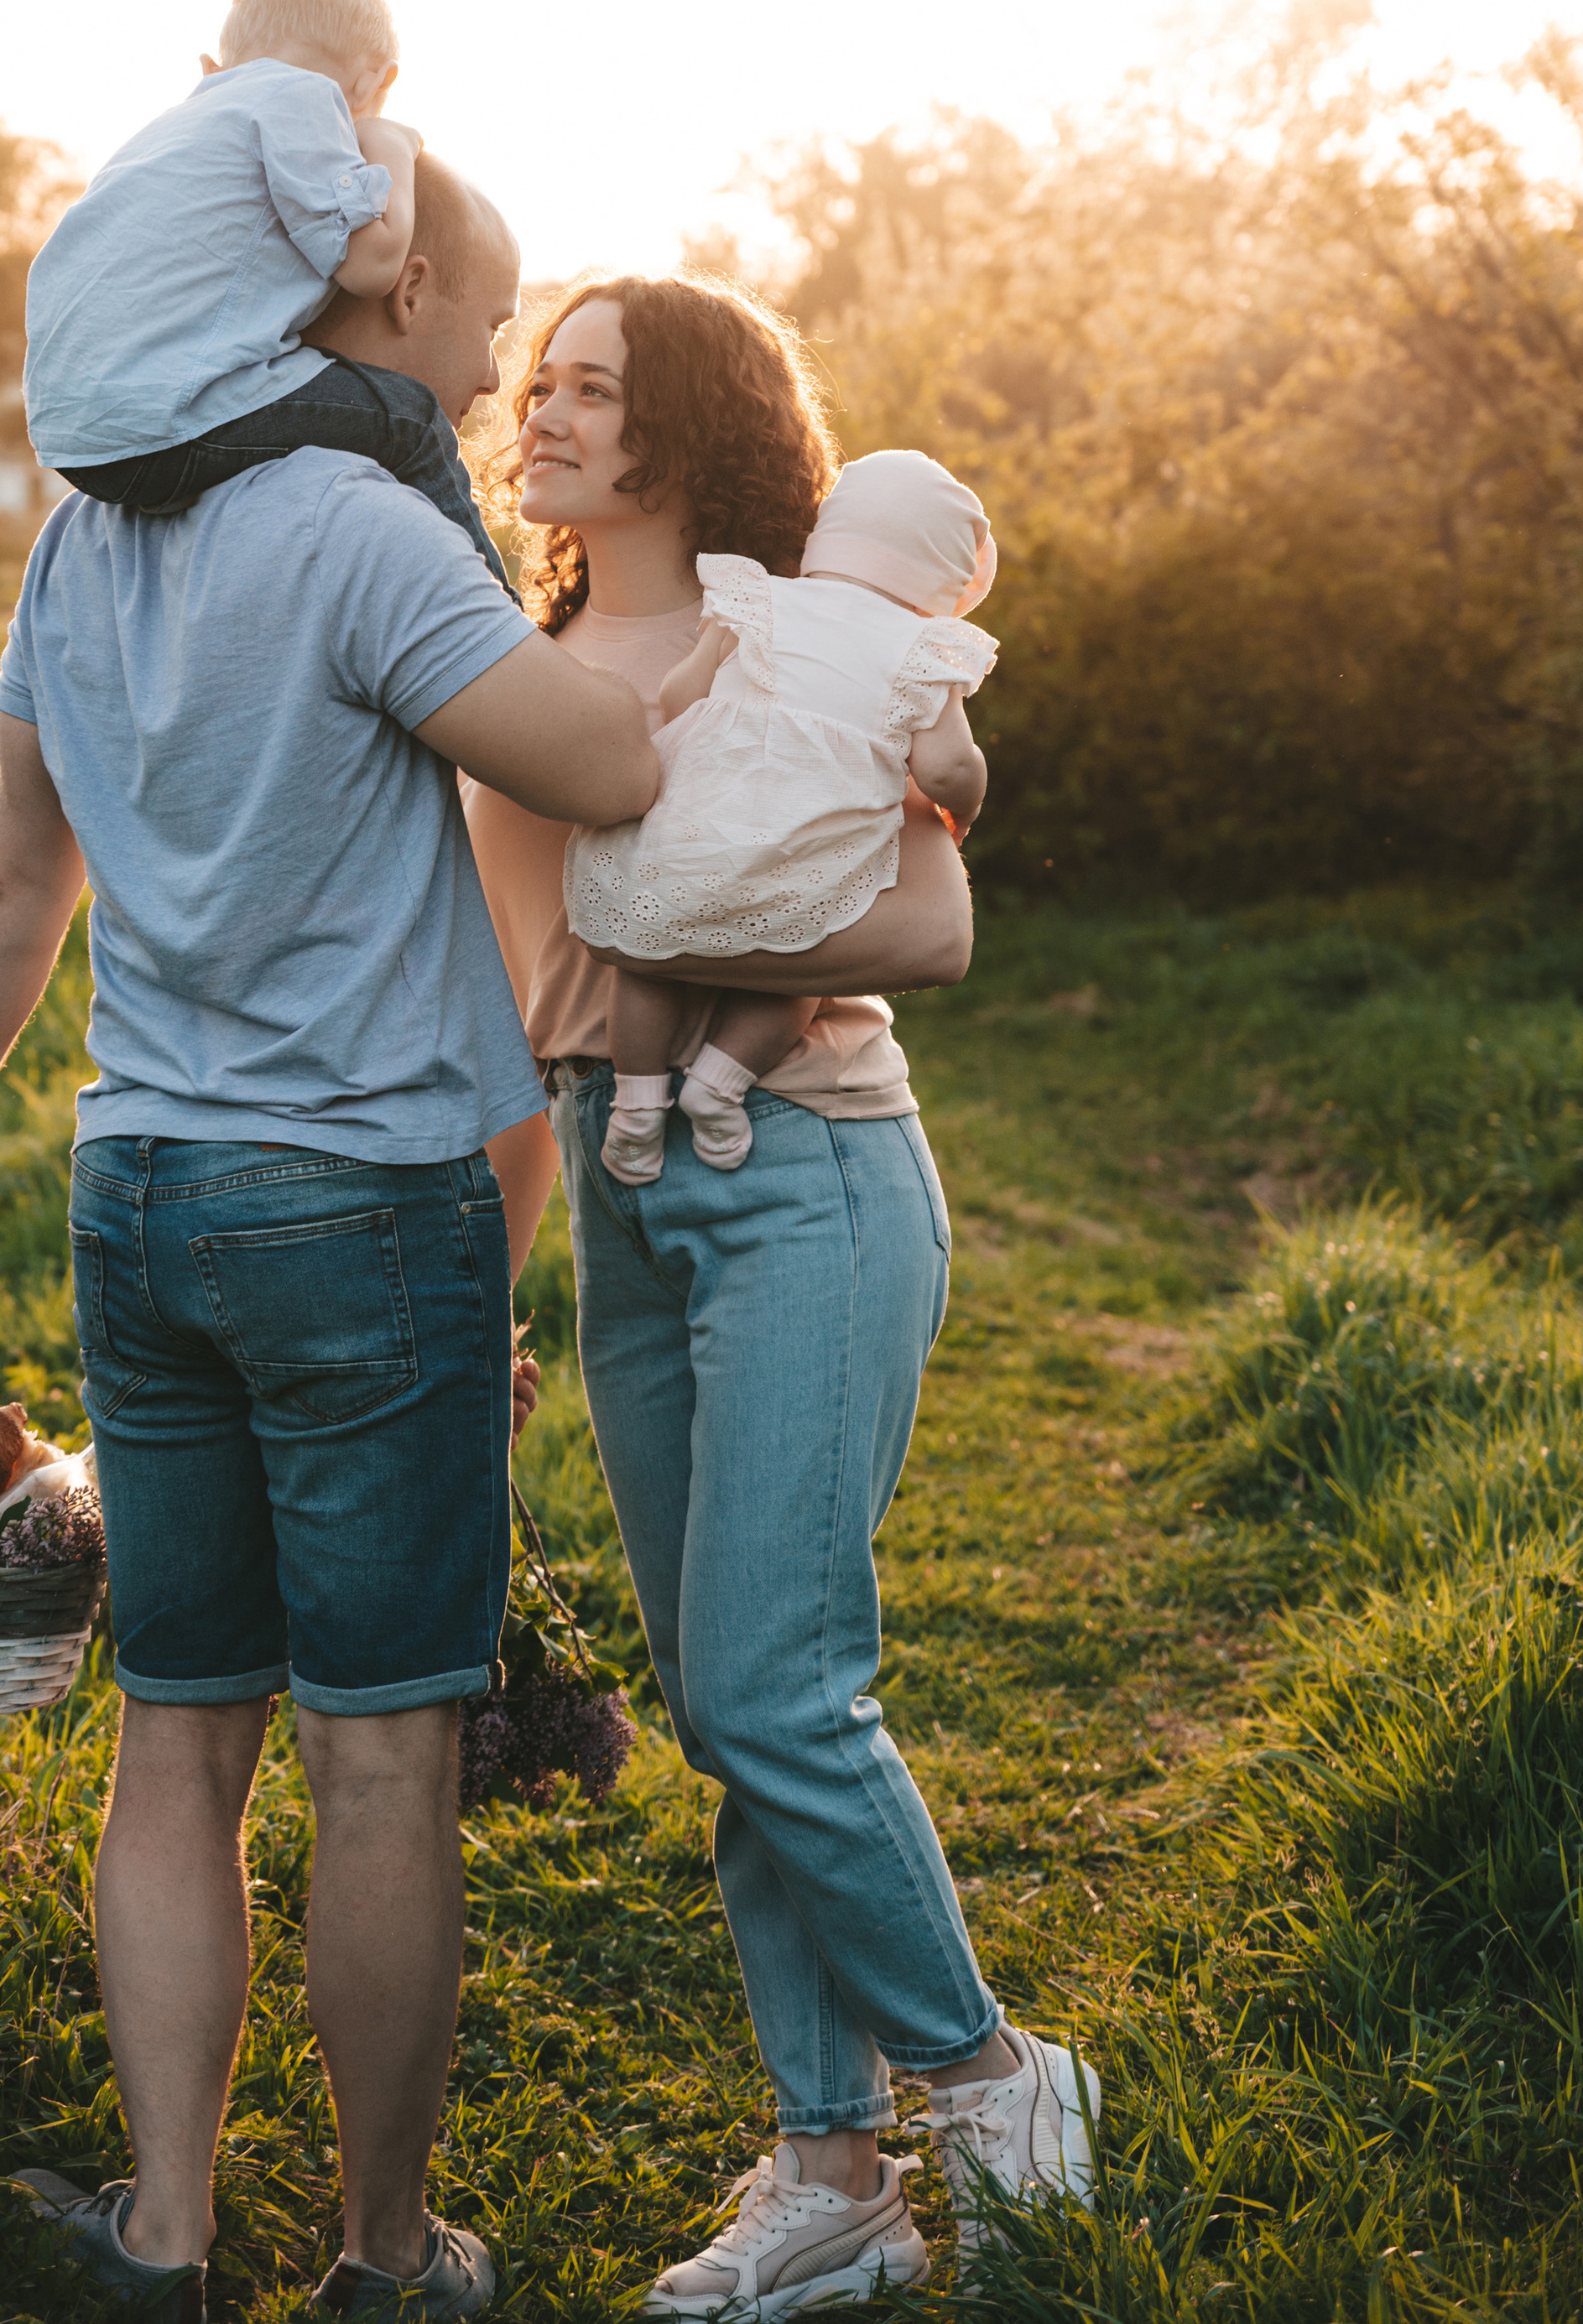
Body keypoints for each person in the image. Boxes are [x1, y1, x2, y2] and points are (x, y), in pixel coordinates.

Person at [0, 167, 653, 2319]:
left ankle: (161, 2236)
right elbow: (599, 761)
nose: (491, 371)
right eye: (481, 318)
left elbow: (15, 889)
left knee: (177, 1731)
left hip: (139, 1190)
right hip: (358, 1195)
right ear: (393, 285)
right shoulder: (363, 532)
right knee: (383, 1750)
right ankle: (389, 2258)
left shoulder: (77, 533)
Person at [464, 274, 1099, 2309]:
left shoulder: (789, 630)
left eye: (591, 388)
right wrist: (495, 1264)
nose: (542, 412)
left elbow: (931, 908)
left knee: (770, 1680)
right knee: (724, 1694)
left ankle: (996, 2082)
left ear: (687, 430)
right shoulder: (517, 648)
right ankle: (830, 2169)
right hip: (621, 1179)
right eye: (540, 380)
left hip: (803, 1159)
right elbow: (501, 978)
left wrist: (724, 922)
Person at [569, 448, 998, 1183]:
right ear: (945, 582)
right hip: (810, 849)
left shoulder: (759, 596)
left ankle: (636, 1103)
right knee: (805, 959)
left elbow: (679, 694)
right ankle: (719, 1082)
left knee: (648, 948)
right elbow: (948, 766)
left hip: (701, 831)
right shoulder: (923, 646)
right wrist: (963, 808)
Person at [23, 0, 508, 580]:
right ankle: (498, 620)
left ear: (212, 66)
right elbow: (372, 265)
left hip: (74, 439)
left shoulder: (174, 128)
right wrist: (391, 144)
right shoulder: (303, 98)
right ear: (375, 83)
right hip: (161, 420)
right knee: (411, 419)